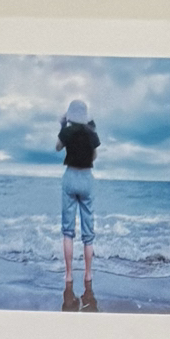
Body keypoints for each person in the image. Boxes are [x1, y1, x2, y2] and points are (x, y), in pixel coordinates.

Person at [55, 96, 99, 308]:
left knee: (68, 230)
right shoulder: (91, 133)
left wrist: (63, 124)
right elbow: (95, 156)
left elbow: (57, 147)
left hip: (70, 177)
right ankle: (88, 274)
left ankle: (69, 275)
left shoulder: (67, 131)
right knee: (88, 233)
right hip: (87, 178)